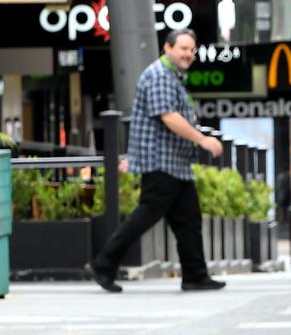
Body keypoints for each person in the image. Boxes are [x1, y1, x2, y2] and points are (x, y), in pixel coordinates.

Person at [88, 29, 225, 293]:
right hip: (160, 162)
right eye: (183, 48)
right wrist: (203, 140)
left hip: (175, 163)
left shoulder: (171, 76)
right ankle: (103, 264)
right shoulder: (160, 76)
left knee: (188, 219)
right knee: (145, 214)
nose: (188, 54)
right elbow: (169, 117)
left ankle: (195, 275)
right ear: (167, 48)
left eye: (191, 50)